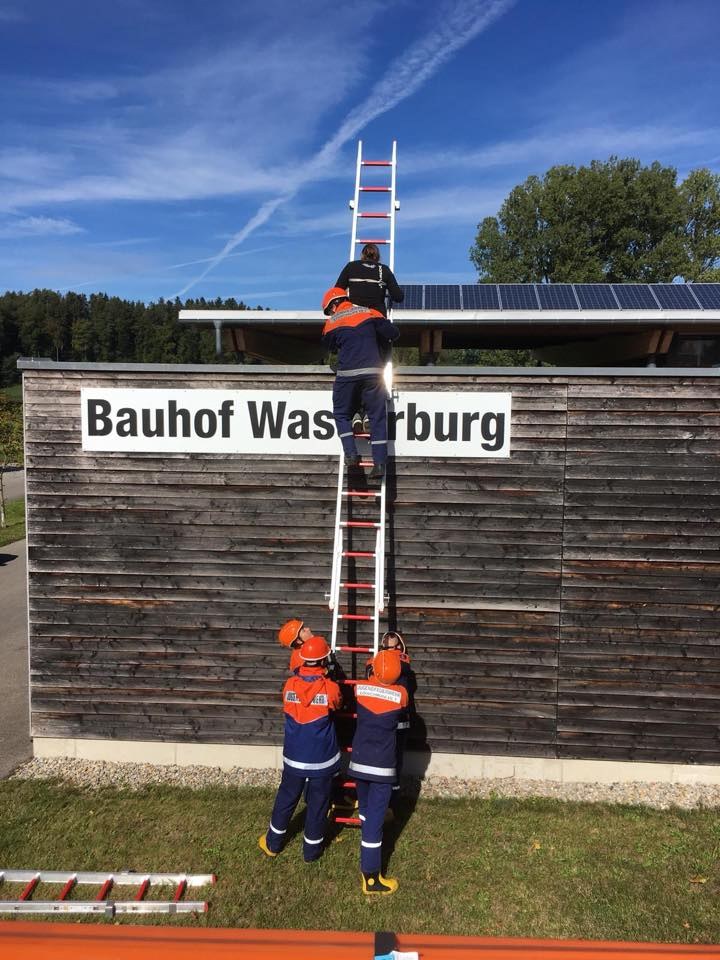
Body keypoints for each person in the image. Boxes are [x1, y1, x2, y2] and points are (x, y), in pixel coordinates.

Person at [259, 635, 342, 862]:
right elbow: (337, 704)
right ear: (324, 660)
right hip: (322, 759)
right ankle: (311, 851)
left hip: (294, 756)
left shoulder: (289, 685)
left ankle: (273, 843)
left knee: (286, 798)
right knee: (318, 803)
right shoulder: (330, 688)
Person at [321, 287, 400, 480]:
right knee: (377, 417)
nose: (330, 313)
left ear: (334, 304)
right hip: (373, 373)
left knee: (341, 413)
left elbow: (328, 346)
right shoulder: (370, 312)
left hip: (347, 375)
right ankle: (379, 464)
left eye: (329, 310)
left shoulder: (331, 322)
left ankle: (351, 454)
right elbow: (393, 333)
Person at [349, 648, 408, 895]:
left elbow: (369, 680)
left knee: (365, 810)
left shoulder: (360, 689)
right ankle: (371, 877)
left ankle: (366, 837)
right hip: (382, 767)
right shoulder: (400, 695)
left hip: (359, 763)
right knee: (375, 822)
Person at [366, 631, 415, 813]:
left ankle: (391, 802)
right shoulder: (378, 663)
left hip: (396, 722)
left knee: (393, 763)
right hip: (385, 720)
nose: (393, 649)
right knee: (385, 762)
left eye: (395, 646)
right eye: (389, 647)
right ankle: (382, 800)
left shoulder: (402, 665)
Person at [335, 243, 404, 318]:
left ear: (362, 255)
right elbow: (398, 297)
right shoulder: (384, 270)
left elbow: (337, 292)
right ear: (378, 256)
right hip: (377, 318)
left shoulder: (351, 266)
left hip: (355, 316)